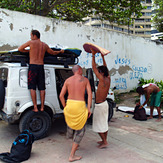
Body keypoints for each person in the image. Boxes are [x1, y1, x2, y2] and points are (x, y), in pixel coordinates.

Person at [18, 29, 64, 112]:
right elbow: (53, 52)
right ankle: (42, 107)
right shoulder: (44, 45)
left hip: (33, 66)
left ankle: (35, 107)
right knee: (42, 88)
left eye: (31, 35)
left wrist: (28, 51)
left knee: (32, 87)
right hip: (41, 67)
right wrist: (60, 51)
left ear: (34, 36)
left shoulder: (31, 42)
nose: (30, 37)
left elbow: (20, 49)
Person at [59, 65, 92, 162]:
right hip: (79, 105)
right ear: (80, 70)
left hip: (70, 104)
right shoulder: (84, 80)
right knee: (80, 132)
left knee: (71, 125)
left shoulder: (68, 80)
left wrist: (65, 107)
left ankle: (74, 144)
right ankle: (72, 155)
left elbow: (61, 96)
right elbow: (90, 94)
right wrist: (89, 108)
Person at [91, 49, 111, 149]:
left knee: (98, 125)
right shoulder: (108, 78)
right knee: (103, 124)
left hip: (100, 105)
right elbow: (106, 68)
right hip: (104, 104)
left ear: (102, 73)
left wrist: (93, 56)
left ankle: (104, 142)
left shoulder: (102, 79)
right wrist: (102, 57)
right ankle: (104, 140)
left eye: (99, 72)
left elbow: (93, 68)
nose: (97, 73)